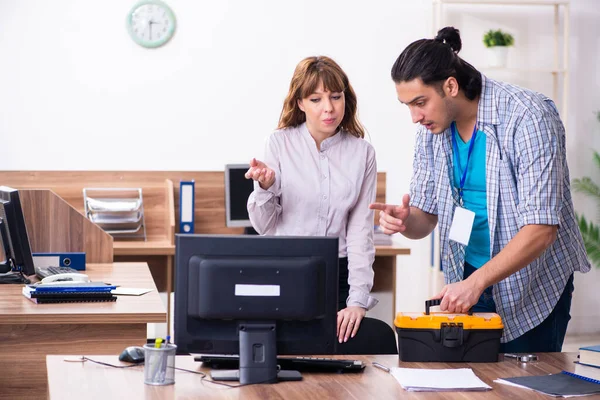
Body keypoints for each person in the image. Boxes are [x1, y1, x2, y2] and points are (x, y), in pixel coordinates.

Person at [370, 27, 590, 353]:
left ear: (451, 85)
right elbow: (425, 218)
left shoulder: (528, 117)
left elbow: (542, 229)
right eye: (407, 106)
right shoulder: (432, 131)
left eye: (420, 102)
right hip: (468, 276)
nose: (415, 117)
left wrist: (476, 284)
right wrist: (405, 221)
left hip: (529, 283)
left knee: (526, 386)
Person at [246, 56, 378, 346]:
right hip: (286, 270)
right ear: (301, 103)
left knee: (336, 363)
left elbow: (360, 232)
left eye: (335, 96)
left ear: (346, 98)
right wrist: (265, 186)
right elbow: (264, 227)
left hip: (338, 274)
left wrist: (357, 300)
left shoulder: (362, 153)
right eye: (316, 99)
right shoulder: (279, 143)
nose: (328, 108)